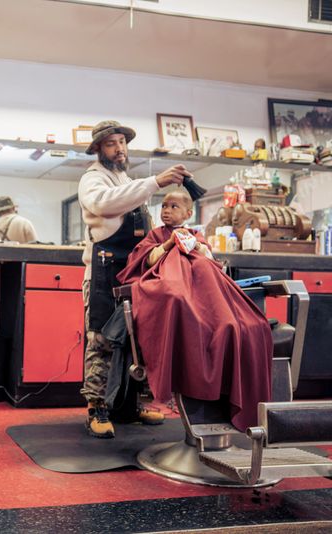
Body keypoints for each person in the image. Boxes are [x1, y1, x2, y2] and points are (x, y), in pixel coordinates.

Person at [116, 189, 273, 432]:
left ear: (189, 213)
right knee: (174, 294)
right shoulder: (155, 235)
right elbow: (147, 262)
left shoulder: (197, 236)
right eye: (164, 206)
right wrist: (169, 244)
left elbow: (210, 263)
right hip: (174, 287)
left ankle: (221, 325)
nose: (167, 211)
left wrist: (195, 246)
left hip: (203, 292)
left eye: (174, 207)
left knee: (249, 325)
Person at [78, 120, 191, 439]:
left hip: (134, 270)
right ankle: (96, 408)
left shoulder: (124, 178)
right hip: (103, 272)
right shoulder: (93, 179)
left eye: (122, 142)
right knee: (101, 339)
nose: (120, 148)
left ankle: (126, 406)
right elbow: (105, 203)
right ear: (99, 148)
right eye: (112, 143)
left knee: (132, 340)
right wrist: (155, 181)